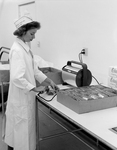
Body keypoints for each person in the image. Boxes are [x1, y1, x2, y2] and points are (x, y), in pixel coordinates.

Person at [4, 15, 59, 150]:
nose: (34, 37)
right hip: (20, 98)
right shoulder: (17, 50)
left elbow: (34, 71)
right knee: (20, 135)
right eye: (32, 33)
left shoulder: (25, 48)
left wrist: (48, 81)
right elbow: (17, 77)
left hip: (25, 97)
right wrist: (35, 88)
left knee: (22, 134)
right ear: (22, 32)